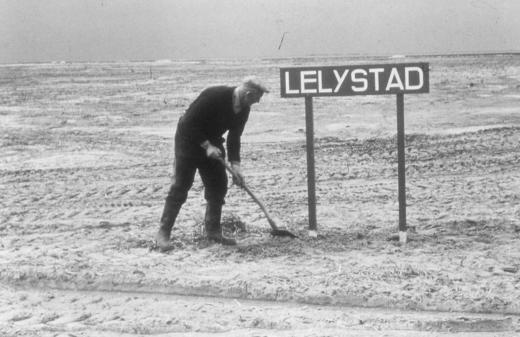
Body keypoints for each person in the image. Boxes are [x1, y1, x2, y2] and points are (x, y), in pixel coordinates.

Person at [156, 76, 269, 251]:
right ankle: (163, 234)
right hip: (189, 142)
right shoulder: (214, 95)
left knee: (218, 185)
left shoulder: (244, 108)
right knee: (180, 186)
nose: (258, 102)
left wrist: (236, 166)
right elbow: (187, 123)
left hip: (214, 144)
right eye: (257, 98)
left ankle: (213, 230)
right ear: (248, 93)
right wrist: (206, 145)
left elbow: (234, 137)